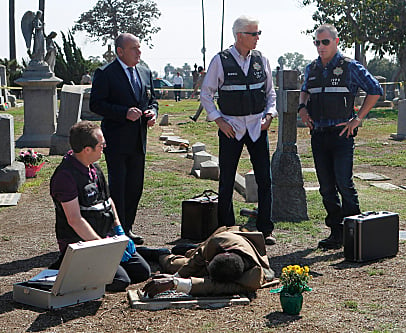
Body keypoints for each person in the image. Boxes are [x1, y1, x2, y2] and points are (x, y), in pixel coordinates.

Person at [298, 23, 383, 250]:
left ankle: (354, 232)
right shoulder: (311, 68)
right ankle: (336, 232)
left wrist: (358, 119)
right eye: (317, 42)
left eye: (325, 42)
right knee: (326, 187)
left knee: (344, 183)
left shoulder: (350, 67)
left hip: (341, 134)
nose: (321, 46)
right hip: (318, 135)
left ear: (336, 42)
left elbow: (375, 90)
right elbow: (305, 89)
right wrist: (302, 108)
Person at [199, 15, 277, 245]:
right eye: (254, 34)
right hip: (231, 127)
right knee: (227, 179)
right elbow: (206, 94)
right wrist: (219, 121)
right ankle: (226, 227)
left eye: (258, 33)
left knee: (265, 179)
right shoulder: (220, 60)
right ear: (240, 36)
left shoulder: (261, 59)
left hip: (257, 126)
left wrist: (270, 114)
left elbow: (270, 92)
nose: (257, 38)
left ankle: (265, 228)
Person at [49, 121, 151, 292]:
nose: (105, 146)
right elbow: (75, 220)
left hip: (106, 237)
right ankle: (65, 265)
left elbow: (108, 201)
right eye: (101, 144)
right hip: (82, 244)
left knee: (142, 272)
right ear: (87, 149)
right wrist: (105, 248)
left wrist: (120, 232)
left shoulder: (94, 169)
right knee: (120, 281)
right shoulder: (65, 177)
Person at [90, 33, 158, 245]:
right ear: (120, 51)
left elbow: (152, 99)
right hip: (117, 140)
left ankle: (128, 227)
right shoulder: (106, 73)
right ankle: (116, 229)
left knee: (135, 187)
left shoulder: (145, 71)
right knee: (118, 187)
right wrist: (123, 112)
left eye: (139, 48)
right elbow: (96, 104)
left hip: (139, 140)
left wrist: (152, 112)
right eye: (134, 49)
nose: (139, 52)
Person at [141, 226, 274, 297]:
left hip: (227, 252)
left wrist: (176, 283)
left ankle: (189, 249)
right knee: (173, 265)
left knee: (186, 266)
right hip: (226, 236)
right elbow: (197, 260)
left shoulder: (252, 278)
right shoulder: (219, 242)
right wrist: (176, 277)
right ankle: (161, 254)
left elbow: (214, 286)